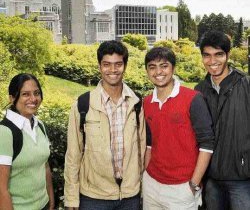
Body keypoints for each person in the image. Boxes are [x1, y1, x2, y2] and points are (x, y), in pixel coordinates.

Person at [64, 40, 146, 210]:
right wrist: (72, 197)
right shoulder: (82, 105)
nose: (113, 70)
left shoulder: (136, 103)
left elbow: (143, 151)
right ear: (100, 66)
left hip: (130, 196)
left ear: (125, 66)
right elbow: (73, 154)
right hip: (94, 197)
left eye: (118, 64)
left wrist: (143, 190)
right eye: (107, 64)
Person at [143, 47, 214, 210]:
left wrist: (194, 183)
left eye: (164, 66)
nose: (158, 71)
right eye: (152, 67)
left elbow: (207, 144)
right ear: (147, 71)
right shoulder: (146, 102)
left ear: (173, 68)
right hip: (151, 185)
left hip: (182, 188)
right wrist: (145, 175)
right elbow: (149, 143)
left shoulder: (193, 98)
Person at [195, 30, 250, 210]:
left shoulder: (245, 85)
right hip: (210, 179)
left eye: (218, 54)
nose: (212, 61)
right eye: (207, 55)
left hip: (241, 178)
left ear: (228, 55)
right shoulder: (199, 90)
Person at [0, 73, 54, 210]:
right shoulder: (4, 132)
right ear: (12, 98)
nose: (33, 99)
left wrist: (51, 201)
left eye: (37, 93)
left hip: (44, 205)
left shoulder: (39, 125)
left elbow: (45, 166)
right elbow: (1, 189)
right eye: (25, 94)